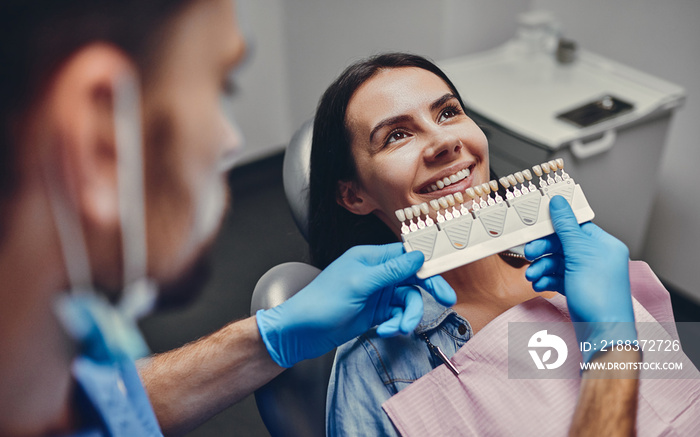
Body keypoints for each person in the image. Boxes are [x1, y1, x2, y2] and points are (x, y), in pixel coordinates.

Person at [0, 2, 458, 436]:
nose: (229, 141)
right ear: (100, 139)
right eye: (221, 85)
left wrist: (531, 334)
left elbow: (100, 405)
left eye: (450, 112)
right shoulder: (380, 364)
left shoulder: (37, 381)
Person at [309, 53, 650, 436]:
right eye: (397, 135)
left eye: (448, 113)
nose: (444, 141)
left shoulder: (583, 265)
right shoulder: (375, 364)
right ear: (354, 196)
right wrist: (613, 343)